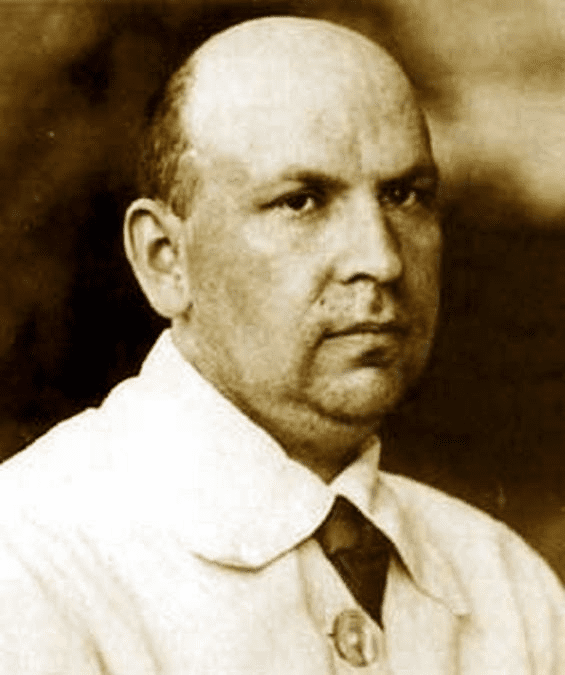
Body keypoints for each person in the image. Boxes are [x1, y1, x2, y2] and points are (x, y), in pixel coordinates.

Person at [0, 15, 563, 674]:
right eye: (302, 201)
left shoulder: (508, 586)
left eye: (404, 196)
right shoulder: (33, 561)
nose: (380, 259)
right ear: (164, 258)